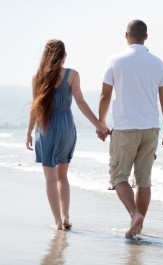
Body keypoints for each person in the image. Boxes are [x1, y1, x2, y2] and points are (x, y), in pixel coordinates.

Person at [98, 20, 163, 239]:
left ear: (126, 35)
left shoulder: (115, 60)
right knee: (144, 181)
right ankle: (138, 229)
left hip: (125, 128)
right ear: (146, 37)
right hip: (151, 129)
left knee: (118, 177)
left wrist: (101, 123)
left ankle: (133, 216)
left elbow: (105, 95)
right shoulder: (158, 63)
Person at [26, 39, 109, 230]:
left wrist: (29, 132)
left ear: (46, 56)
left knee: (50, 178)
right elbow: (80, 102)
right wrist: (99, 124)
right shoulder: (72, 75)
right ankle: (66, 218)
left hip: (45, 127)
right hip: (66, 127)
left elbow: (35, 108)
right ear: (64, 56)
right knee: (63, 176)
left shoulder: (37, 77)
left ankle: (57, 222)